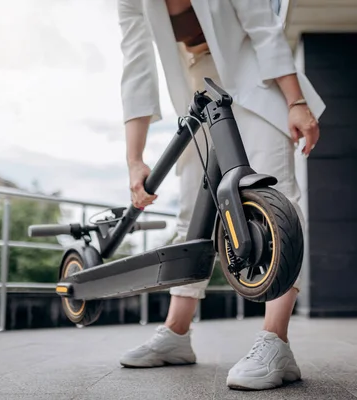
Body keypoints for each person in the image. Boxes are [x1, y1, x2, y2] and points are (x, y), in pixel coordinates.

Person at [116, 0, 325, 391]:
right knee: (192, 214)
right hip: (199, 93)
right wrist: (135, 159)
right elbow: (137, 69)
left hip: (257, 80)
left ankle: (275, 342)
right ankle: (177, 334)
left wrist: (296, 101)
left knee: (275, 195)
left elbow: (263, 26)